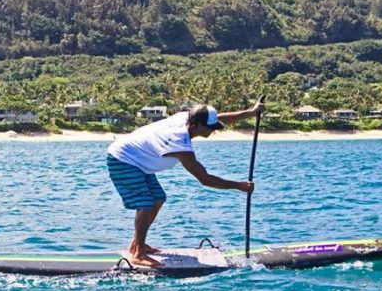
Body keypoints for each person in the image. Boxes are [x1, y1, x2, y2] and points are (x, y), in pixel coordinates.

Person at [107, 99, 264, 267]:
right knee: (145, 203)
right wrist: (240, 186)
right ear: (196, 126)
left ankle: (137, 244)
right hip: (123, 160)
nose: (213, 131)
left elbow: (221, 118)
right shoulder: (179, 143)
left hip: (138, 160)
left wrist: (251, 112)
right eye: (210, 128)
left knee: (158, 198)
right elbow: (204, 179)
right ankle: (138, 254)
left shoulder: (187, 117)